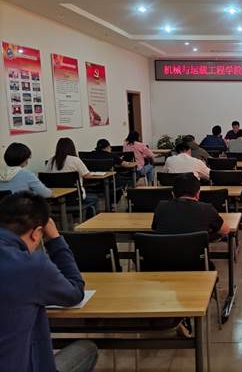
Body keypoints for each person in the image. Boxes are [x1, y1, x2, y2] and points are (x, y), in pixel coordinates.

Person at [0, 191, 98, 372]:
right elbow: (75, 292)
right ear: (38, 233)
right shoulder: (31, 266)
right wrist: (56, 239)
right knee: (87, 349)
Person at [152, 173, 230, 241]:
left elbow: (155, 228)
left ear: (173, 194)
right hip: (196, 253)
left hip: (164, 253)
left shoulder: (161, 207)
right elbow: (225, 230)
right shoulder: (207, 209)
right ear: (198, 194)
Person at [46, 138, 98, 216]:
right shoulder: (75, 160)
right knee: (94, 198)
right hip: (75, 197)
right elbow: (87, 176)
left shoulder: (51, 161)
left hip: (55, 198)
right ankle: (87, 220)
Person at [89, 139, 136, 205]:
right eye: (110, 147)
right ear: (107, 147)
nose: (111, 149)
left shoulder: (90, 154)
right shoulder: (111, 155)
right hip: (110, 182)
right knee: (122, 184)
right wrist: (135, 163)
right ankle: (112, 204)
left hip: (92, 183)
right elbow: (125, 164)